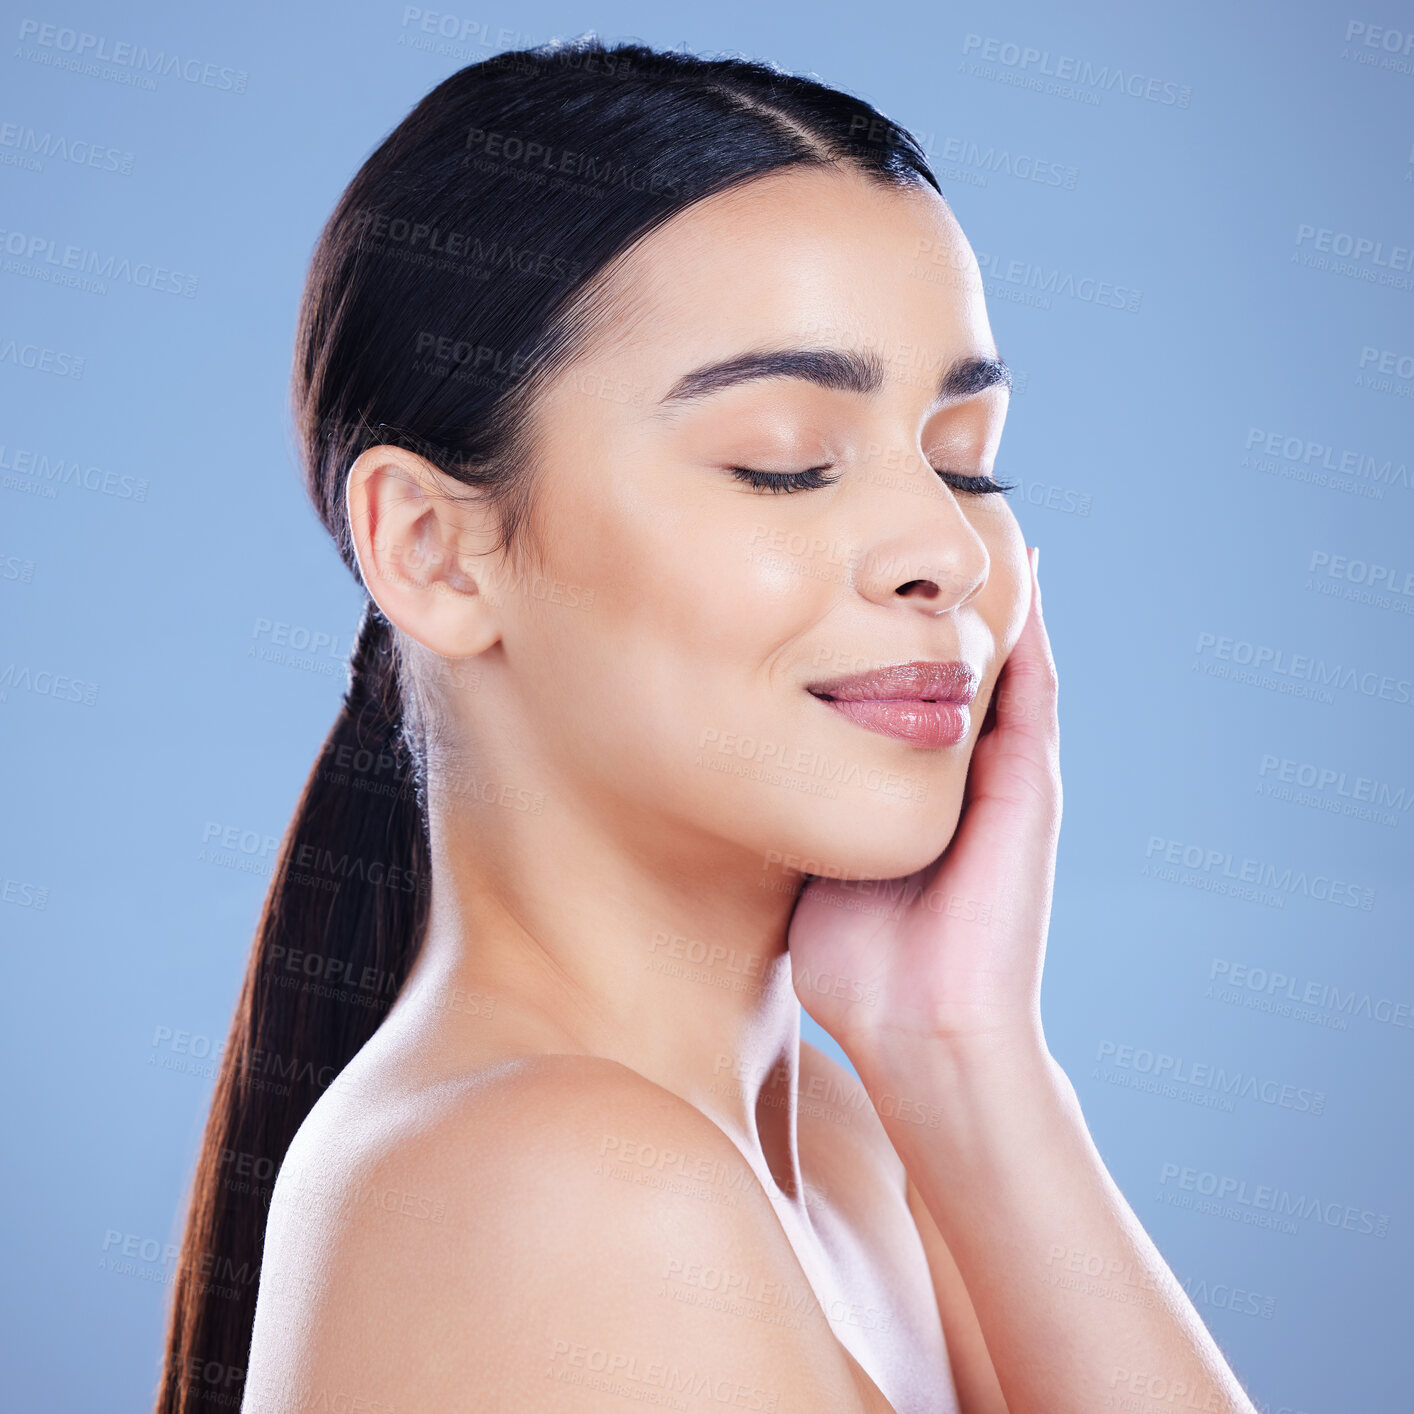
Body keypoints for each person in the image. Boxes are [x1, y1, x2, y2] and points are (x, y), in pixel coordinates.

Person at [155, 35, 1261, 1414]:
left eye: (967, 460)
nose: (946, 548)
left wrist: (967, 1057)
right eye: (784, 461)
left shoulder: (846, 1146)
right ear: (434, 550)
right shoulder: (565, 1184)